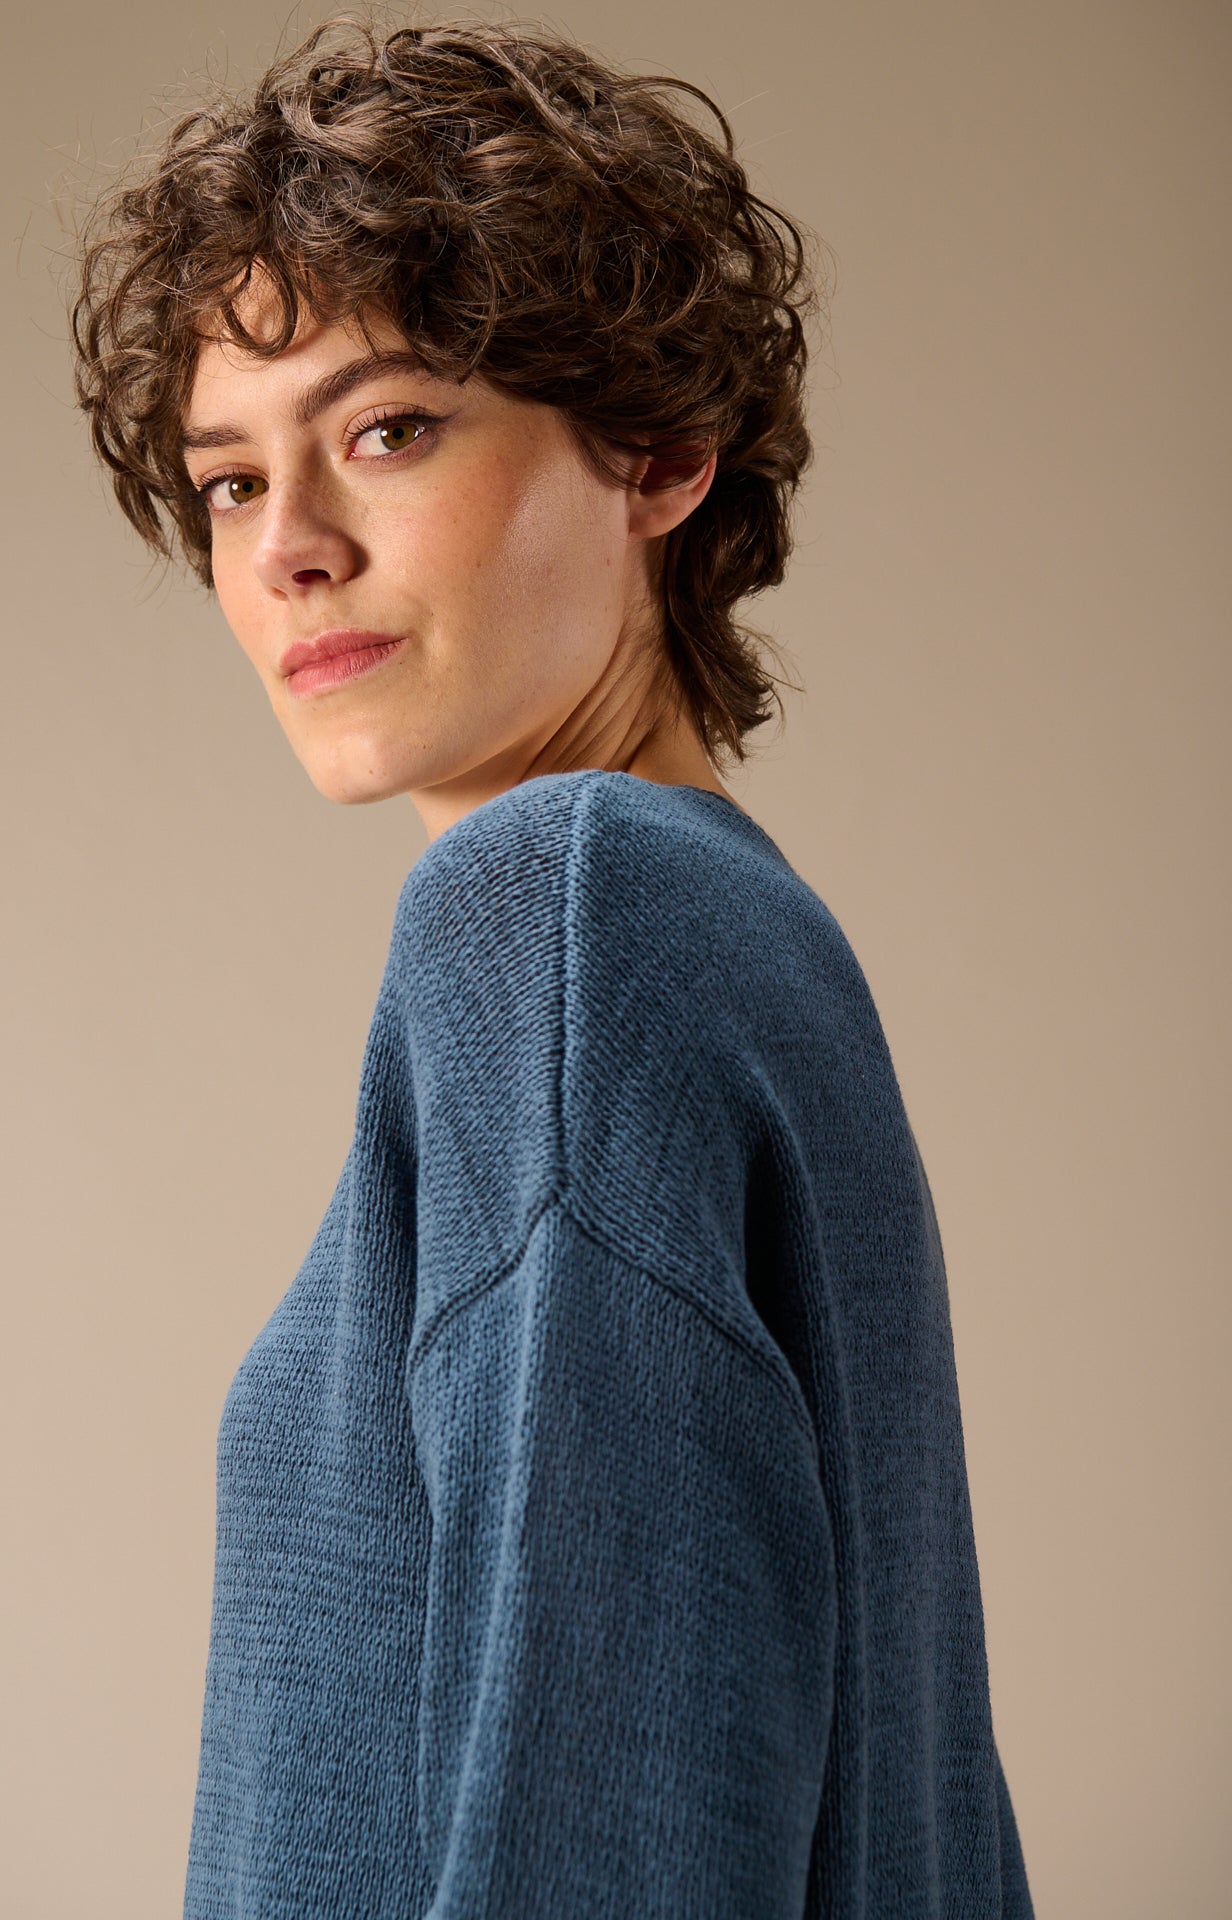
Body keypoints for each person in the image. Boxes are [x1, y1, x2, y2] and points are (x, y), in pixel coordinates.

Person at [69, 15, 1036, 1917]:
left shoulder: (565, 908)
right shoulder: (742, 937)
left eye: (389, 430)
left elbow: (607, 1813)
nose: (292, 550)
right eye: (233, 481)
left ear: (655, 449)